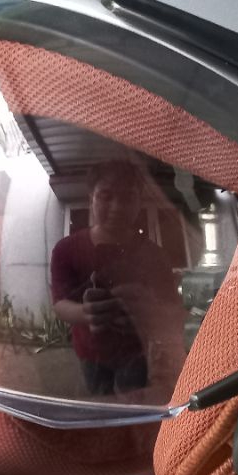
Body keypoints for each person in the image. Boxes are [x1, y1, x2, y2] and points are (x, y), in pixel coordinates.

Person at [50, 160, 186, 398]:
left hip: (135, 351)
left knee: (131, 404)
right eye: (106, 196)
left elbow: (173, 311)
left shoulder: (154, 255)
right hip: (90, 352)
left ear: (139, 201)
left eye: (127, 197)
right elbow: (60, 304)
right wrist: (87, 313)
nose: (116, 207)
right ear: (91, 198)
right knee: (100, 401)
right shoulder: (66, 250)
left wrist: (148, 309)